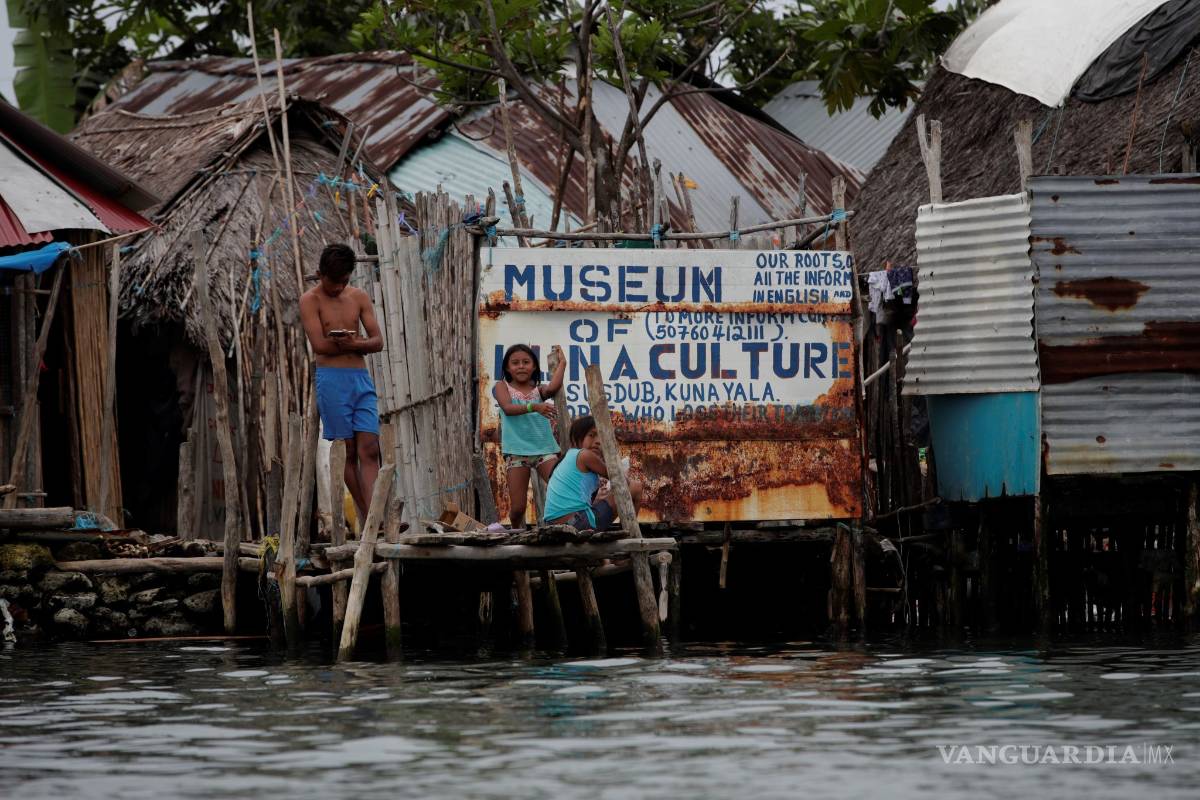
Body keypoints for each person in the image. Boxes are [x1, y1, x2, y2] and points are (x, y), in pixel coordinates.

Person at [299, 243, 384, 523]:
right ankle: (371, 516)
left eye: (343, 281)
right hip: (331, 380)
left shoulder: (358, 297)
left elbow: (377, 341)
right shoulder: (310, 300)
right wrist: (355, 345)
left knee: (370, 447)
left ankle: (375, 513)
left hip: (360, 379)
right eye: (332, 281)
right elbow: (319, 346)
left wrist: (354, 343)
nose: (337, 287)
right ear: (319, 273)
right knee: (347, 451)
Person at [493, 343, 566, 528]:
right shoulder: (502, 387)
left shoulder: (538, 391)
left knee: (563, 486)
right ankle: (517, 534)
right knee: (518, 508)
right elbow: (508, 408)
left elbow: (553, 388)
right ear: (507, 368)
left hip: (544, 450)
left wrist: (563, 364)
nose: (521, 366)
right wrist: (534, 407)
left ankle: (564, 525)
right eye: (515, 363)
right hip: (517, 452)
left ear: (534, 367)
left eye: (526, 362)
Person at [543, 416, 643, 532]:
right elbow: (622, 481)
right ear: (577, 439)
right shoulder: (585, 455)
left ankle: (625, 531)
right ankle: (629, 533)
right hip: (577, 524)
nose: (597, 441)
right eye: (591, 435)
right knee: (635, 487)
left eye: (601, 436)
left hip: (553, 525)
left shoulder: (569, 457)